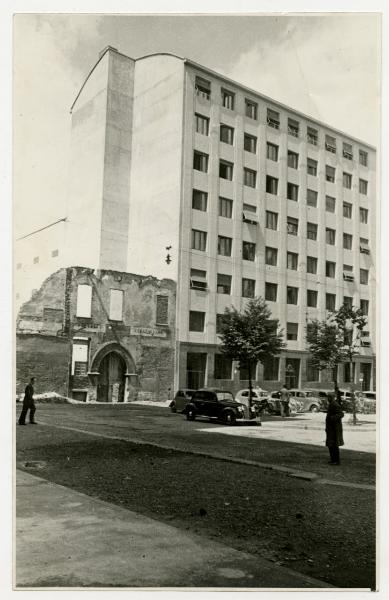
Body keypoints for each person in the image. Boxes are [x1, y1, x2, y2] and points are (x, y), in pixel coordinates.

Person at [325, 392, 344, 465]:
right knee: (331, 445)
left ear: (331, 398)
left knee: (334, 445)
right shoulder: (332, 404)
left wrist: (332, 418)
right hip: (331, 428)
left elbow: (341, 414)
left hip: (334, 429)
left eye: (329, 397)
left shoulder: (335, 404)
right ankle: (333, 460)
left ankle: (336, 461)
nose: (328, 399)